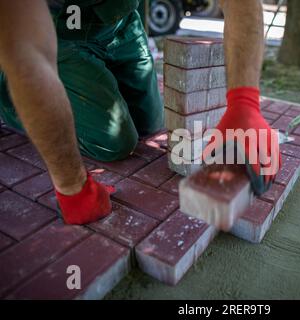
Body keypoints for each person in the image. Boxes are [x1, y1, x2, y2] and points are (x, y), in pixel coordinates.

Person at [0, 0, 280, 225]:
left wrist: (244, 102)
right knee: (115, 143)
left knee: (151, 124)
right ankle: (10, 96)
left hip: (121, 22)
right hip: (58, 33)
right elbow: (26, 51)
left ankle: (85, 79)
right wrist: (72, 186)